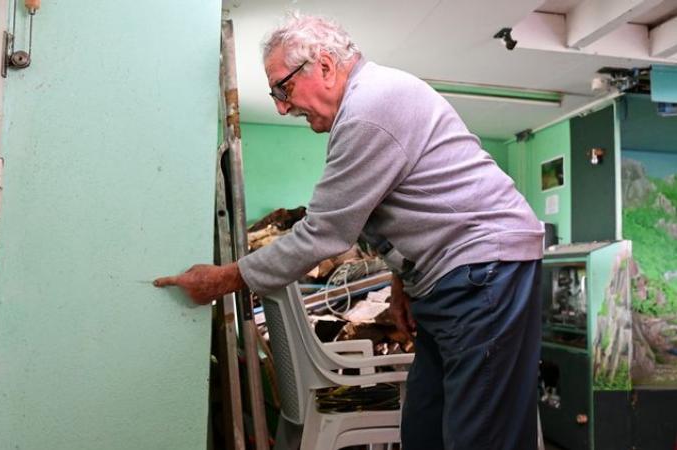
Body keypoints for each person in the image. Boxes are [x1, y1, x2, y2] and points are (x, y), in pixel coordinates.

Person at [155, 12, 544, 450]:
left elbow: (323, 233)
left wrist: (222, 279)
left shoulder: (368, 110)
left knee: (482, 435)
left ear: (323, 64)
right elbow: (411, 207)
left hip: (485, 269)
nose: (282, 106)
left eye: (284, 88)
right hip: (457, 273)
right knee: (425, 428)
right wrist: (404, 283)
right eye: (275, 94)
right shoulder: (367, 105)